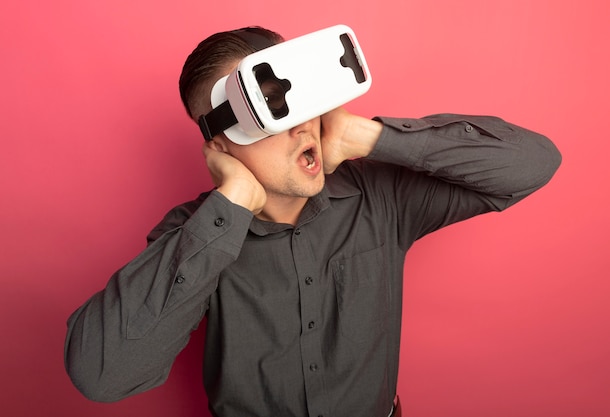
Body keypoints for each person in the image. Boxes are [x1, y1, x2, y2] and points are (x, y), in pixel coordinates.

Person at [64, 26, 562, 417]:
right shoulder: (193, 235)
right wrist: (232, 200)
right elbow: (102, 376)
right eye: (264, 111)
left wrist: (366, 137)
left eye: (293, 97)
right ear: (219, 146)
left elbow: (533, 163)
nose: (297, 122)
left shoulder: (379, 195)